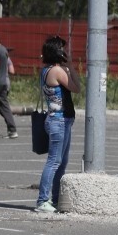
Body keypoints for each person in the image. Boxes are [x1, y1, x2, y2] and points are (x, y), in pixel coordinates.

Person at [35, 36, 82, 213]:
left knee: (61, 162)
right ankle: (42, 200)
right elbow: (76, 88)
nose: (65, 52)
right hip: (59, 120)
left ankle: (54, 198)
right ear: (57, 52)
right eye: (62, 49)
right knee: (54, 161)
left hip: (60, 119)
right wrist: (70, 65)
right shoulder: (56, 71)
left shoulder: (47, 69)